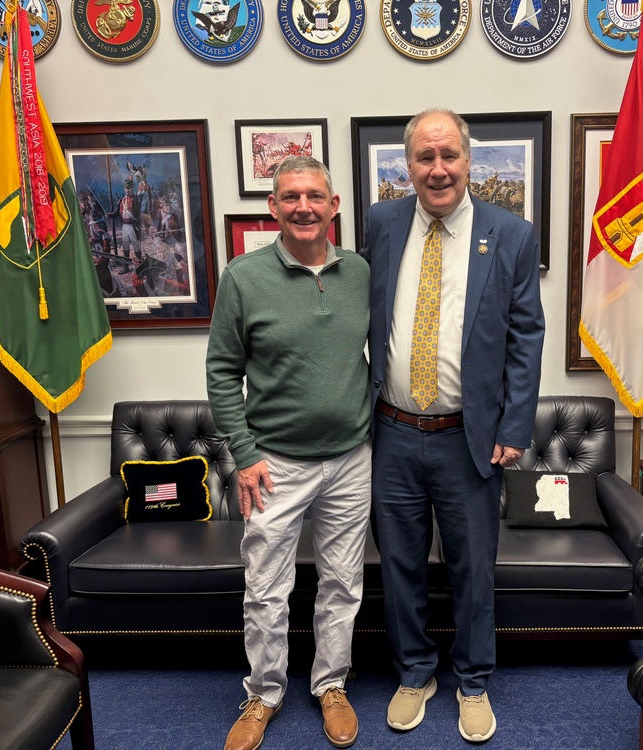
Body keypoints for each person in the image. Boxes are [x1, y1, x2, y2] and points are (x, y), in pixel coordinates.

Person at [361, 108, 545, 743]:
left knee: (473, 568)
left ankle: (472, 679)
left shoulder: (512, 234)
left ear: (470, 160)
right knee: (400, 565)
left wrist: (516, 425)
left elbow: (527, 337)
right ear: (406, 166)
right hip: (391, 433)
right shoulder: (382, 224)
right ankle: (415, 672)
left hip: (469, 437)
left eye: (449, 156)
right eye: (423, 157)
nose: (437, 169)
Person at [206, 156, 371, 750]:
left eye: (315, 196)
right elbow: (222, 372)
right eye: (291, 196)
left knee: (342, 582)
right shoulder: (244, 277)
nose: (304, 206)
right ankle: (264, 694)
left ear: (334, 207)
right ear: (273, 208)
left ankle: (331, 684)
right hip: (272, 462)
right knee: (267, 587)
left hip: (352, 458)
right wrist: (244, 454)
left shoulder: (360, 272)